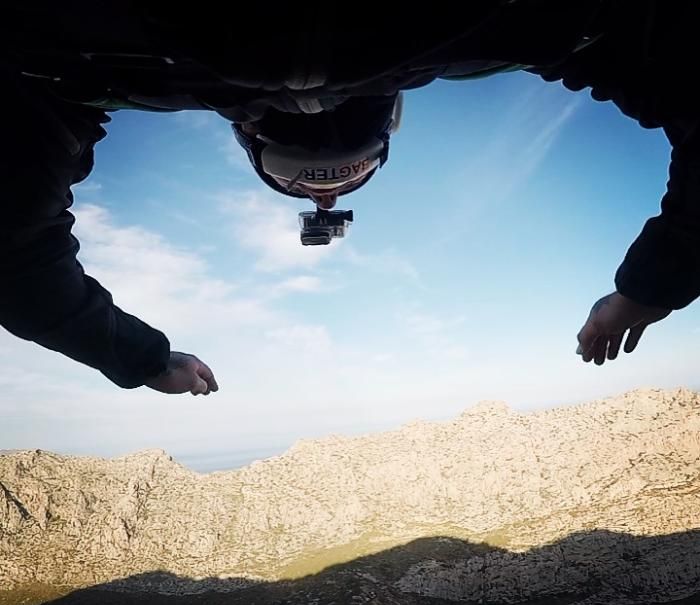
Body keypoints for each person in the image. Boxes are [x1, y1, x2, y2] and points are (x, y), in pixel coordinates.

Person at [1, 1, 695, 395]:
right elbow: (17, 259)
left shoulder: (522, 21)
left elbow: (18, 260)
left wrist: (646, 290)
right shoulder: (81, 56)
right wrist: (646, 289)